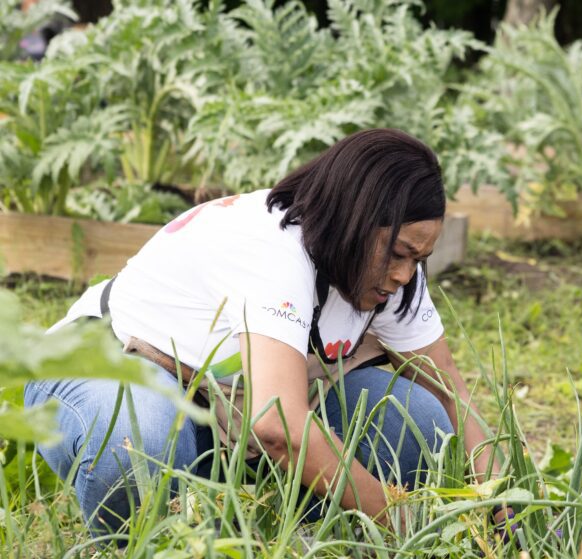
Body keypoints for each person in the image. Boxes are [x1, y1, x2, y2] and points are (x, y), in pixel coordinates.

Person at [25, 128, 498, 536]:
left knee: (418, 418)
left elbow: (449, 391)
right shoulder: (273, 249)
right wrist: (401, 521)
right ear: (353, 221)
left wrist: (503, 499)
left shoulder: (388, 275)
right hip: (108, 367)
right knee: (137, 443)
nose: (404, 275)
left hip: (225, 413)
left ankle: (295, 534)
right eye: (397, 253)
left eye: (417, 258)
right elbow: (279, 427)